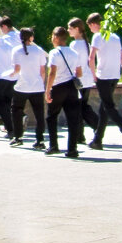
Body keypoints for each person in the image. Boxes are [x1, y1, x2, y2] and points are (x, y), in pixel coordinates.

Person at [86, 13, 122, 153]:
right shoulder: (115, 37)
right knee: (104, 109)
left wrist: (93, 74)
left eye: (89, 25)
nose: (90, 29)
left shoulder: (97, 36)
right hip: (115, 76)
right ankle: (97, 140)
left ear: (94, 24)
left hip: (103, 76)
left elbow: (91, 58)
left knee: (109, 107)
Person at [44, 26, 83, 157]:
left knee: (52, 116)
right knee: (72, 119)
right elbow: (79, 72)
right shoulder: (74, 53)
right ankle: (72, 149)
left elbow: (52, 72)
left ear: (55, 37)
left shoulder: (54, 53)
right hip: (72, 88)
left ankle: (53, 145)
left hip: (58, 87)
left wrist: (48, 90)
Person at [9, 27, 47, 149]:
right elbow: (42, 70)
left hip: (22, 86)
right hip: (37, 86)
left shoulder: (16, 50)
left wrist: (11, 74)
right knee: (39, 114)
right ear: (31, 37)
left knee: (16, 110)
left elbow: (17, 69)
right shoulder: (39, 50)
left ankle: (18, 137)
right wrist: (43, 83)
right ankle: (40, 139)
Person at [67, 17, 98, 144]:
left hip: (78, 79)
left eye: (70, 28)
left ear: (77, 29)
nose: (68, 31)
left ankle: (94, 126)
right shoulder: (86, 43)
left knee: (79, 107)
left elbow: (73, 63)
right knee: (82, 106)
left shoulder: (74, 45)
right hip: (87, 78)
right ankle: (86, 132)